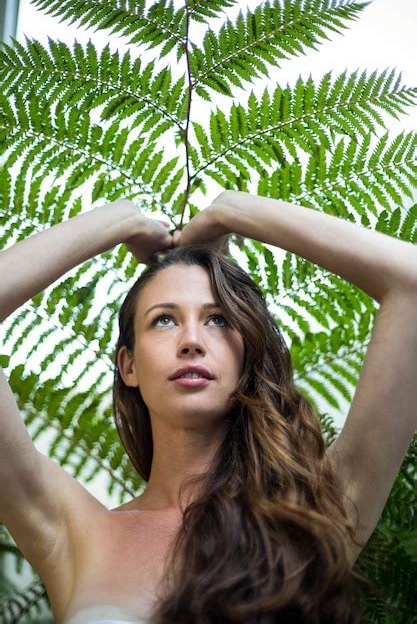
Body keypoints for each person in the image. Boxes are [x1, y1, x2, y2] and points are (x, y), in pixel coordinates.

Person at [1, 190, 416, 624]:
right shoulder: (70, 531)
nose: (192, 341)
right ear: (129, 366)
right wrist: (119, 220)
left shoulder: (317, 511)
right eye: (164, 319)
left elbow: (411, 280)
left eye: (218, 319)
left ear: (247, 355)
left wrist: (233, 210)